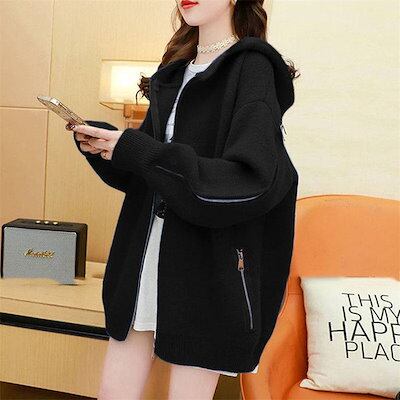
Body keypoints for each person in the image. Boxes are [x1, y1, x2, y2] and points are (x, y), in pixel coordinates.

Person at [67, 0, 300, 398]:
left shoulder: (253, 67)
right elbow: (150, 176)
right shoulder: (175, 71)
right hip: (144, 258)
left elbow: (248, 179)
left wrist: (138, 150)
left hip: (208, 266)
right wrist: (109, 146)